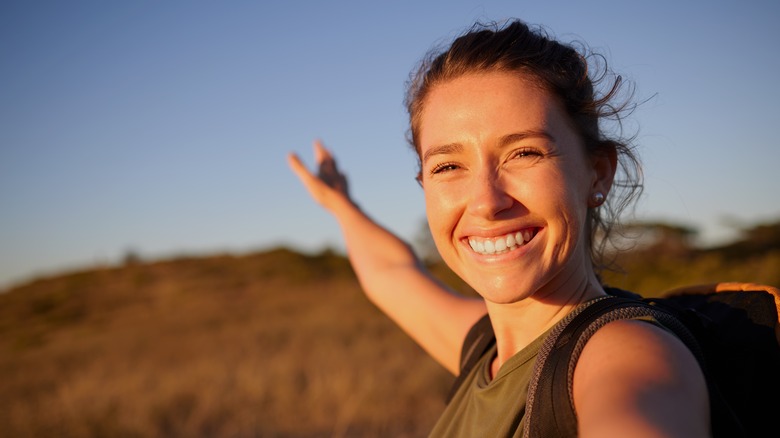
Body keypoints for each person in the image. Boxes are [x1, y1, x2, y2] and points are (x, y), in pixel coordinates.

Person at [287, 19, 710, 437]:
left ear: (597, 173)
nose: (487, 202)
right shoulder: (486, 350)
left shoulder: (627, 355)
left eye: (524, 153)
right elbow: (391, 275)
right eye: (448, 166)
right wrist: (340, 205)